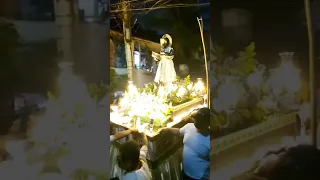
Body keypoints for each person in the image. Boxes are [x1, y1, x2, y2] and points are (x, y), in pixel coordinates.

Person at [160, 107, 210, 180]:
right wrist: (168, 130)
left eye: (200, 120)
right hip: (185, 173)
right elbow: (179, 131)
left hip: (200, 178)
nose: (197, 121)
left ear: (207, 123)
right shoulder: (189, 126)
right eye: (197, 119)